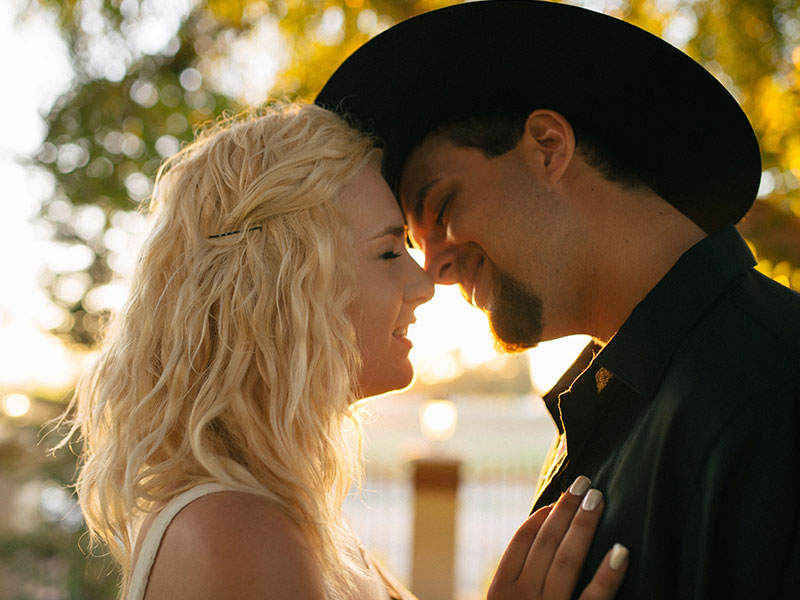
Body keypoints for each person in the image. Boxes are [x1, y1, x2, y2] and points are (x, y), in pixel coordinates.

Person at [315, 0, 800, 598]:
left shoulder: (775, 392)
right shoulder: (611, 404)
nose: (434, 267)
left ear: (547, 147)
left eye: (441, 207)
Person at [57, 102, 628, 600]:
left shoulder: (296, 518)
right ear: (282, 286)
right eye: (387, 253)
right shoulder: (233, 532)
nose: (425, 282)